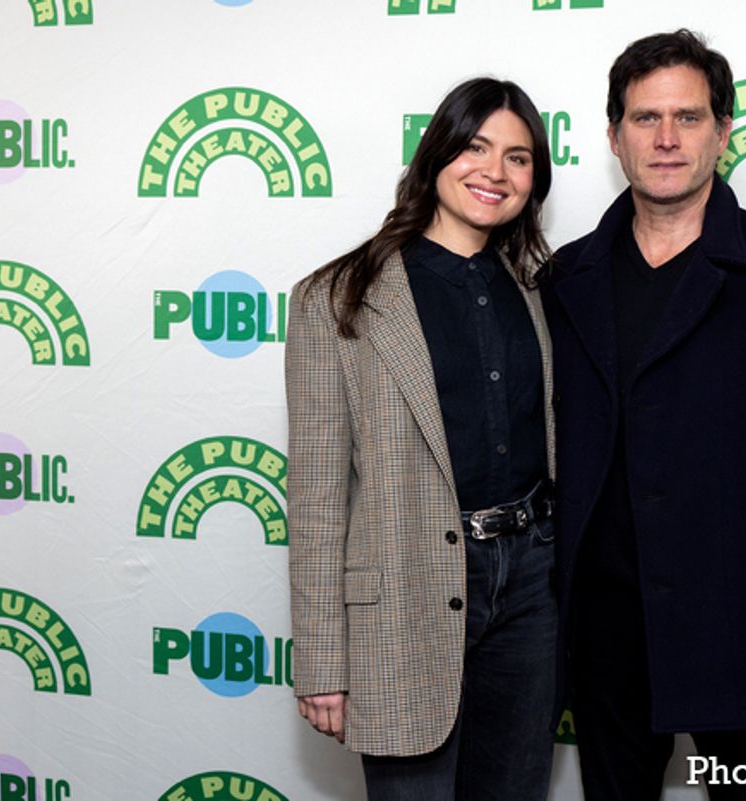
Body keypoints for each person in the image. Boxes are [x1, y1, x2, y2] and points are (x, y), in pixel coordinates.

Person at [538, 30, 746, 800]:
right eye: (645, 118)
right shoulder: (564, 279)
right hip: (605, 636)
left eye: (688, 117)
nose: (666, 138)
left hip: (741, 627)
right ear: (614, 137)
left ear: (723, 131)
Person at [285, 77, 557, 801]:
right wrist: (320, 658)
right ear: (436, 153)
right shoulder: (337, 297)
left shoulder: (540, 288)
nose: (495, 171)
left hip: (532, 583)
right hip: (405, 585)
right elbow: (314, 496)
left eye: (519, 157)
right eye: (475, 146)